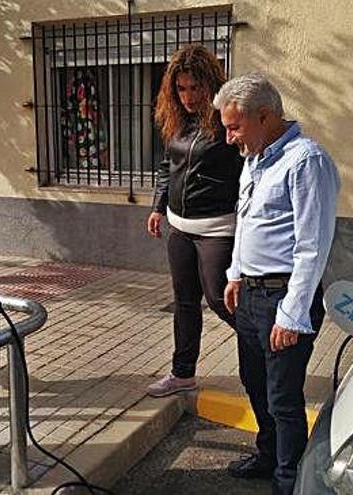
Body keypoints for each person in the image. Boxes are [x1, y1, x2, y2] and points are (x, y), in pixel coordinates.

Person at [214, 73, 340, 495]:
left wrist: (292, 312)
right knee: (255, 384)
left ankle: (289, 481)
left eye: (234, 127)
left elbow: (312, 246)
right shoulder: (256, 157)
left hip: (282, 300)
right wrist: (235, 275)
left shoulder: (306, 161)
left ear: (264, 116)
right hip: (250, 295)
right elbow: (247, 222)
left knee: (284, 399)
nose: (229, 137)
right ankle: (268, 456)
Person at [145, 45, 243, 397]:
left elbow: (249, 171)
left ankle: (265, 352)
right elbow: (167, 167)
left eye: (195, 88)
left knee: (219, 298)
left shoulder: (226, 123)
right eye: (181, 88)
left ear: (210, 85)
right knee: (185, 301)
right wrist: (158, 206)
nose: (188, 96)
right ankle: (182, 373)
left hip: (217, 228)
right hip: (179, 229)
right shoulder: (177, 122)